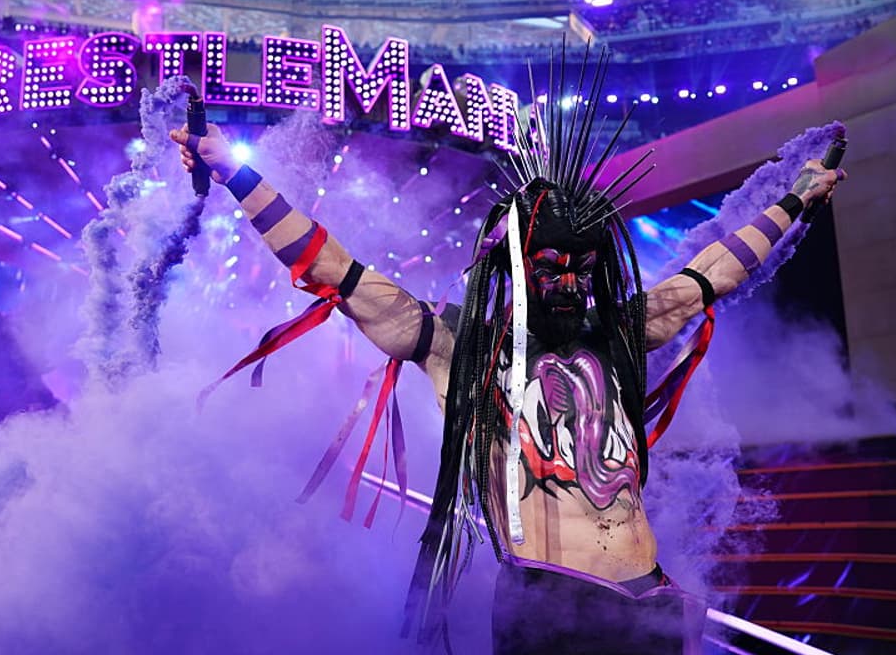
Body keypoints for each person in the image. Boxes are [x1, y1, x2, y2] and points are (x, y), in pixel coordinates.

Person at [170, 100, 844, 654]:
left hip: (651, 601)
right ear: (519, 265)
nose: (571, 283)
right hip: (549, 606)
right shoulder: (459, 348)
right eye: (551, 266)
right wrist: (234, 171)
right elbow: (334, 270)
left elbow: (714, 272)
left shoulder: (618, 334)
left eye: (583, 268)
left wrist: (795, 200)